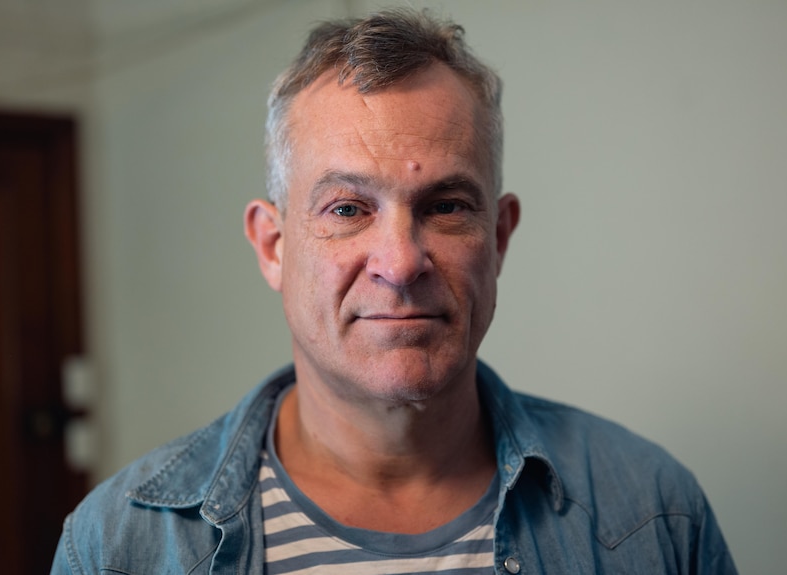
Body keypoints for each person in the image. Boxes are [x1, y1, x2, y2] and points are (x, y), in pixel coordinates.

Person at [52, 8, 737, 574]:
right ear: (273, 245)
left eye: (445, 206)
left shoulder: (653, 513)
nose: (401, 261)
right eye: (348, 208)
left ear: (498, 237)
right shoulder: (119, 546)